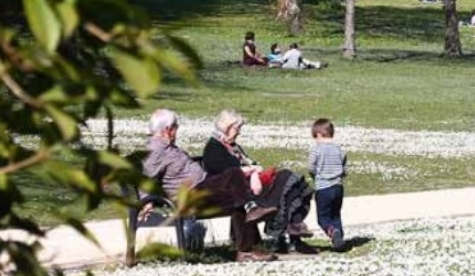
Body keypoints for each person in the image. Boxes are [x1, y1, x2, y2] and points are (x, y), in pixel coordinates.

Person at [141, 108, 276, 262]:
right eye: (176, 126)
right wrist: (147, 202)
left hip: (202, 187)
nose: (177, 130)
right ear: (167, 129)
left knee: (236, 192)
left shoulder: (168, 147)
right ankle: (250, 220)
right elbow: (145, 177)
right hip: (191, 196)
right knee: (235, 179)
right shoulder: (155, 150)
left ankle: (247, 247)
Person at [201, 109, 315, 254]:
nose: (239, 132)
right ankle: (287, 234)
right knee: (286, 181)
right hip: (240, 193)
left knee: (293, 182)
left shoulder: (233, 147)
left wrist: (254, 172)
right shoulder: (213, 148)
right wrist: (253, 173)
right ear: (227, 127)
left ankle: (292, 232)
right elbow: (228, 174)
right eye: (237, 128)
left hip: (251, 188)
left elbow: (251, 164)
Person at [308, 118, 347, 251]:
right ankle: (339, 239)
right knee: (335, 214)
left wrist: (314, 176)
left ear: (318, 135)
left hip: (323, 187)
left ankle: (332, 232)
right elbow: (344, 167)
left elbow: (311, 167)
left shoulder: (316, 150)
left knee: (323, 218)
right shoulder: (339, 149)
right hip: (338, 186)